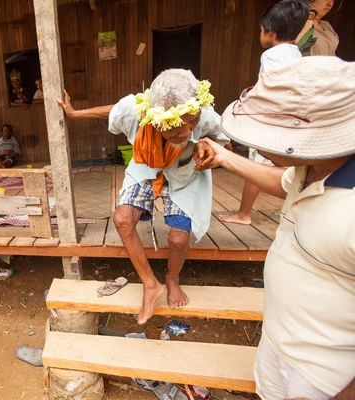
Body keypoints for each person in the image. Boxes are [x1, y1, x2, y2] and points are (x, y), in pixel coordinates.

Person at [199, 56, 354, 400]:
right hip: (278, 342)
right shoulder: (311, 169)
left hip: (327, 378)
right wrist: (225, 157)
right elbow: (281, 181)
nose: (265, 144)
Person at [58, 69, 230, 324]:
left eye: (180, 135)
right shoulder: (139, 109)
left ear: (193, 120)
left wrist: (211, 156)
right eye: (167, 134)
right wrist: (75, 113)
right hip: (147, 165)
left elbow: (226, 147)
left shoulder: (207, 118)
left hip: (185, 172)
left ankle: (172, 279)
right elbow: (113, 110)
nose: (173, 138)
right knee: (123, 218)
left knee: (178, 238)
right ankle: (151, 284)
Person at [219, 0, 308, 225]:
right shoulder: (297, 54)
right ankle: (295, 213)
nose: (261, 35)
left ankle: (244, 214)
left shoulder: (271, 55)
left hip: (272, 122)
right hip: (293, 122)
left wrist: (249, 98)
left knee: (256, 169)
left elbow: (270, 88)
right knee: (293, 170)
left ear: (270, 32)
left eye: (261, 30)